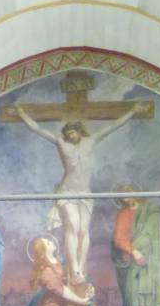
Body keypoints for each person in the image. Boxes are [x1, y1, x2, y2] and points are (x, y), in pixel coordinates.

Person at [8, 101, 143, 283]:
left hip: (85, 194)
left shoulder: (91, 140)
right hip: (67, 192)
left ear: (80, 132)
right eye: (68, 133)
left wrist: (133, 111)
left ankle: (80, 264)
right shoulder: (62, 144)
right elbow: (38, 129)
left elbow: (113, 125)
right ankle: (75, 269)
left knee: (83, 231)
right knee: (72, 227)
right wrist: (22, 113)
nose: (70, 135)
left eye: (73, 132)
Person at [111, 184, 160, 306]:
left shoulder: (150, 212)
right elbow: (118, 239)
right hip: (130, 260)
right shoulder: (123, 214)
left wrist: (141, 251)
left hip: (149, 259)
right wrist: (134, 251)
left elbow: (151, 235)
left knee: (145, 295)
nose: (125, 196)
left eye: (127, 192)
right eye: (122, 194)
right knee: (133, 296)